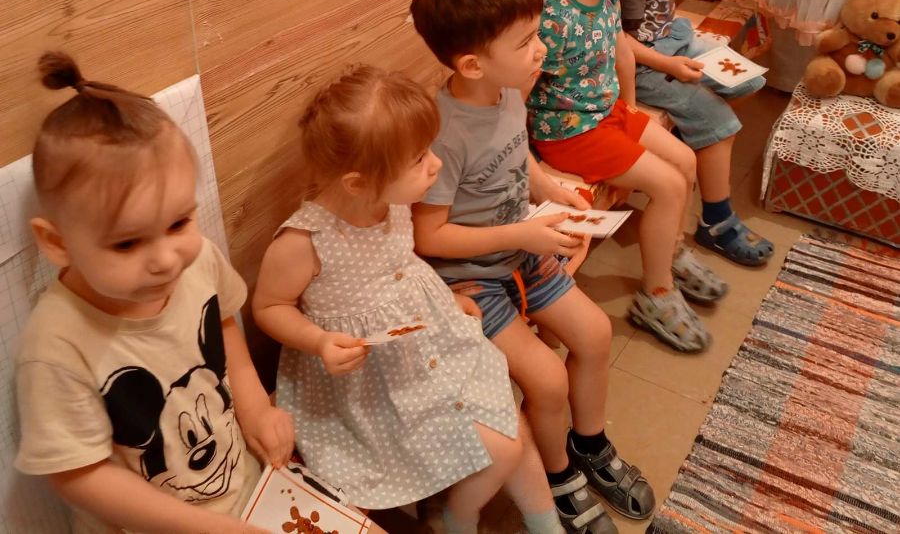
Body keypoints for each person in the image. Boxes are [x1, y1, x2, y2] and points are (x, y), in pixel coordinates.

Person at [252, 65, 566, 534]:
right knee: (504, 443)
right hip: (368, 378)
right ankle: (459, 518)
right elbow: (269, 306)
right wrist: (317, 341)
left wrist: (444, 299)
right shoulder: (305, 241)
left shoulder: (392, 200)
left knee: (507, 426)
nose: (436, 165)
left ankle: (541, 523)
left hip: (427, 339)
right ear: (357, 181)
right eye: (419, 159)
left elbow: (401, 264)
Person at [410, 0, 654, 534]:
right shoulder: (443, 132)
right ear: (472, 64)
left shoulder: (508, 91)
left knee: (595, 334)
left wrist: (549, 188)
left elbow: (519, 157)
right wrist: (522, 231)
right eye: (525, 42)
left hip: (521, 252)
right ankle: (560, 475)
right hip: (469, 279)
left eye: (537, 33)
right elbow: (428, 235)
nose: (541, 49)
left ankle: (589, 444)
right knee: (546, 379)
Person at [15, 52, 294, 534]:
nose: (166, 259)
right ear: (57, 243)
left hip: (241, 488)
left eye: (179, 222)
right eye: (127, 243)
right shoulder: (56, 345)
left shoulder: (199, 260)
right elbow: (79, 476)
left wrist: (254, 407)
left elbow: (223, 322)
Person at [527, 0, 718, 353]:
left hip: (607, 112)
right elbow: (520, 93)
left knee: (686, 161)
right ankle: (657, 293)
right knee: (669, 185)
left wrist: (631, 107)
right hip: (571, 131)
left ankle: (669, 249)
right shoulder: (553, 18)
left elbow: (622, 53)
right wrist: (533, 167)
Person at [615, 0, 774, 267]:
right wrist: (669, 64)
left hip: (671, 38)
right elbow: (620, 41)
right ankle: (716, 222)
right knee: (720, 121)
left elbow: (658, 17)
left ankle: (693, 132)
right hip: (644, 63)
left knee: (748, 82)